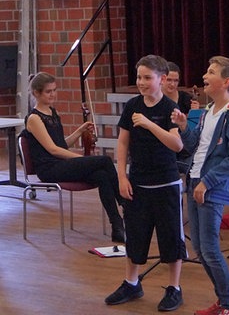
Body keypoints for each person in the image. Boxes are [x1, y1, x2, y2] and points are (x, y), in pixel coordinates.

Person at [104, 55, 186, 312]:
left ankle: (174, 288)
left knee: (171, 237)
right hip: (138, 183)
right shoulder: (131, 106)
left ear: (162, 80)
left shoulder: (169, 108)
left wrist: (150, 124)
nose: (141, 82)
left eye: (147, 77)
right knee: (136, 235)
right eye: (139, 77)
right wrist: (121, 176)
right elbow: (123, 143)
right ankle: (131, 282)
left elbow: (177, 145)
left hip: (166, 184)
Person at [171, 56, 229, 315]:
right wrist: (184, 126)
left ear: (226, 82)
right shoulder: (207, 112)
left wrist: (207, 182)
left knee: (210, 249)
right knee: (201, 249)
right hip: (195, 181)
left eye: (211, 72)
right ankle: (224, 302)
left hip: (210, 187)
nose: (205, 75)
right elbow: (195, 143)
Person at [23, 72, 125, 243]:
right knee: (105, 161)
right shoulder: (34, 118)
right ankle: (126, 204)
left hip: (59, 164)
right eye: (48, 92)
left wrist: (80, 130)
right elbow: (53, 150)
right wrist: (78, 159)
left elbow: (61, 144)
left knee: (101, 176)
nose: (53, 94)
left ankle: (117, 227)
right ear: (36, 93)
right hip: (49, 169)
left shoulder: (52, 113)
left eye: (54, 90)